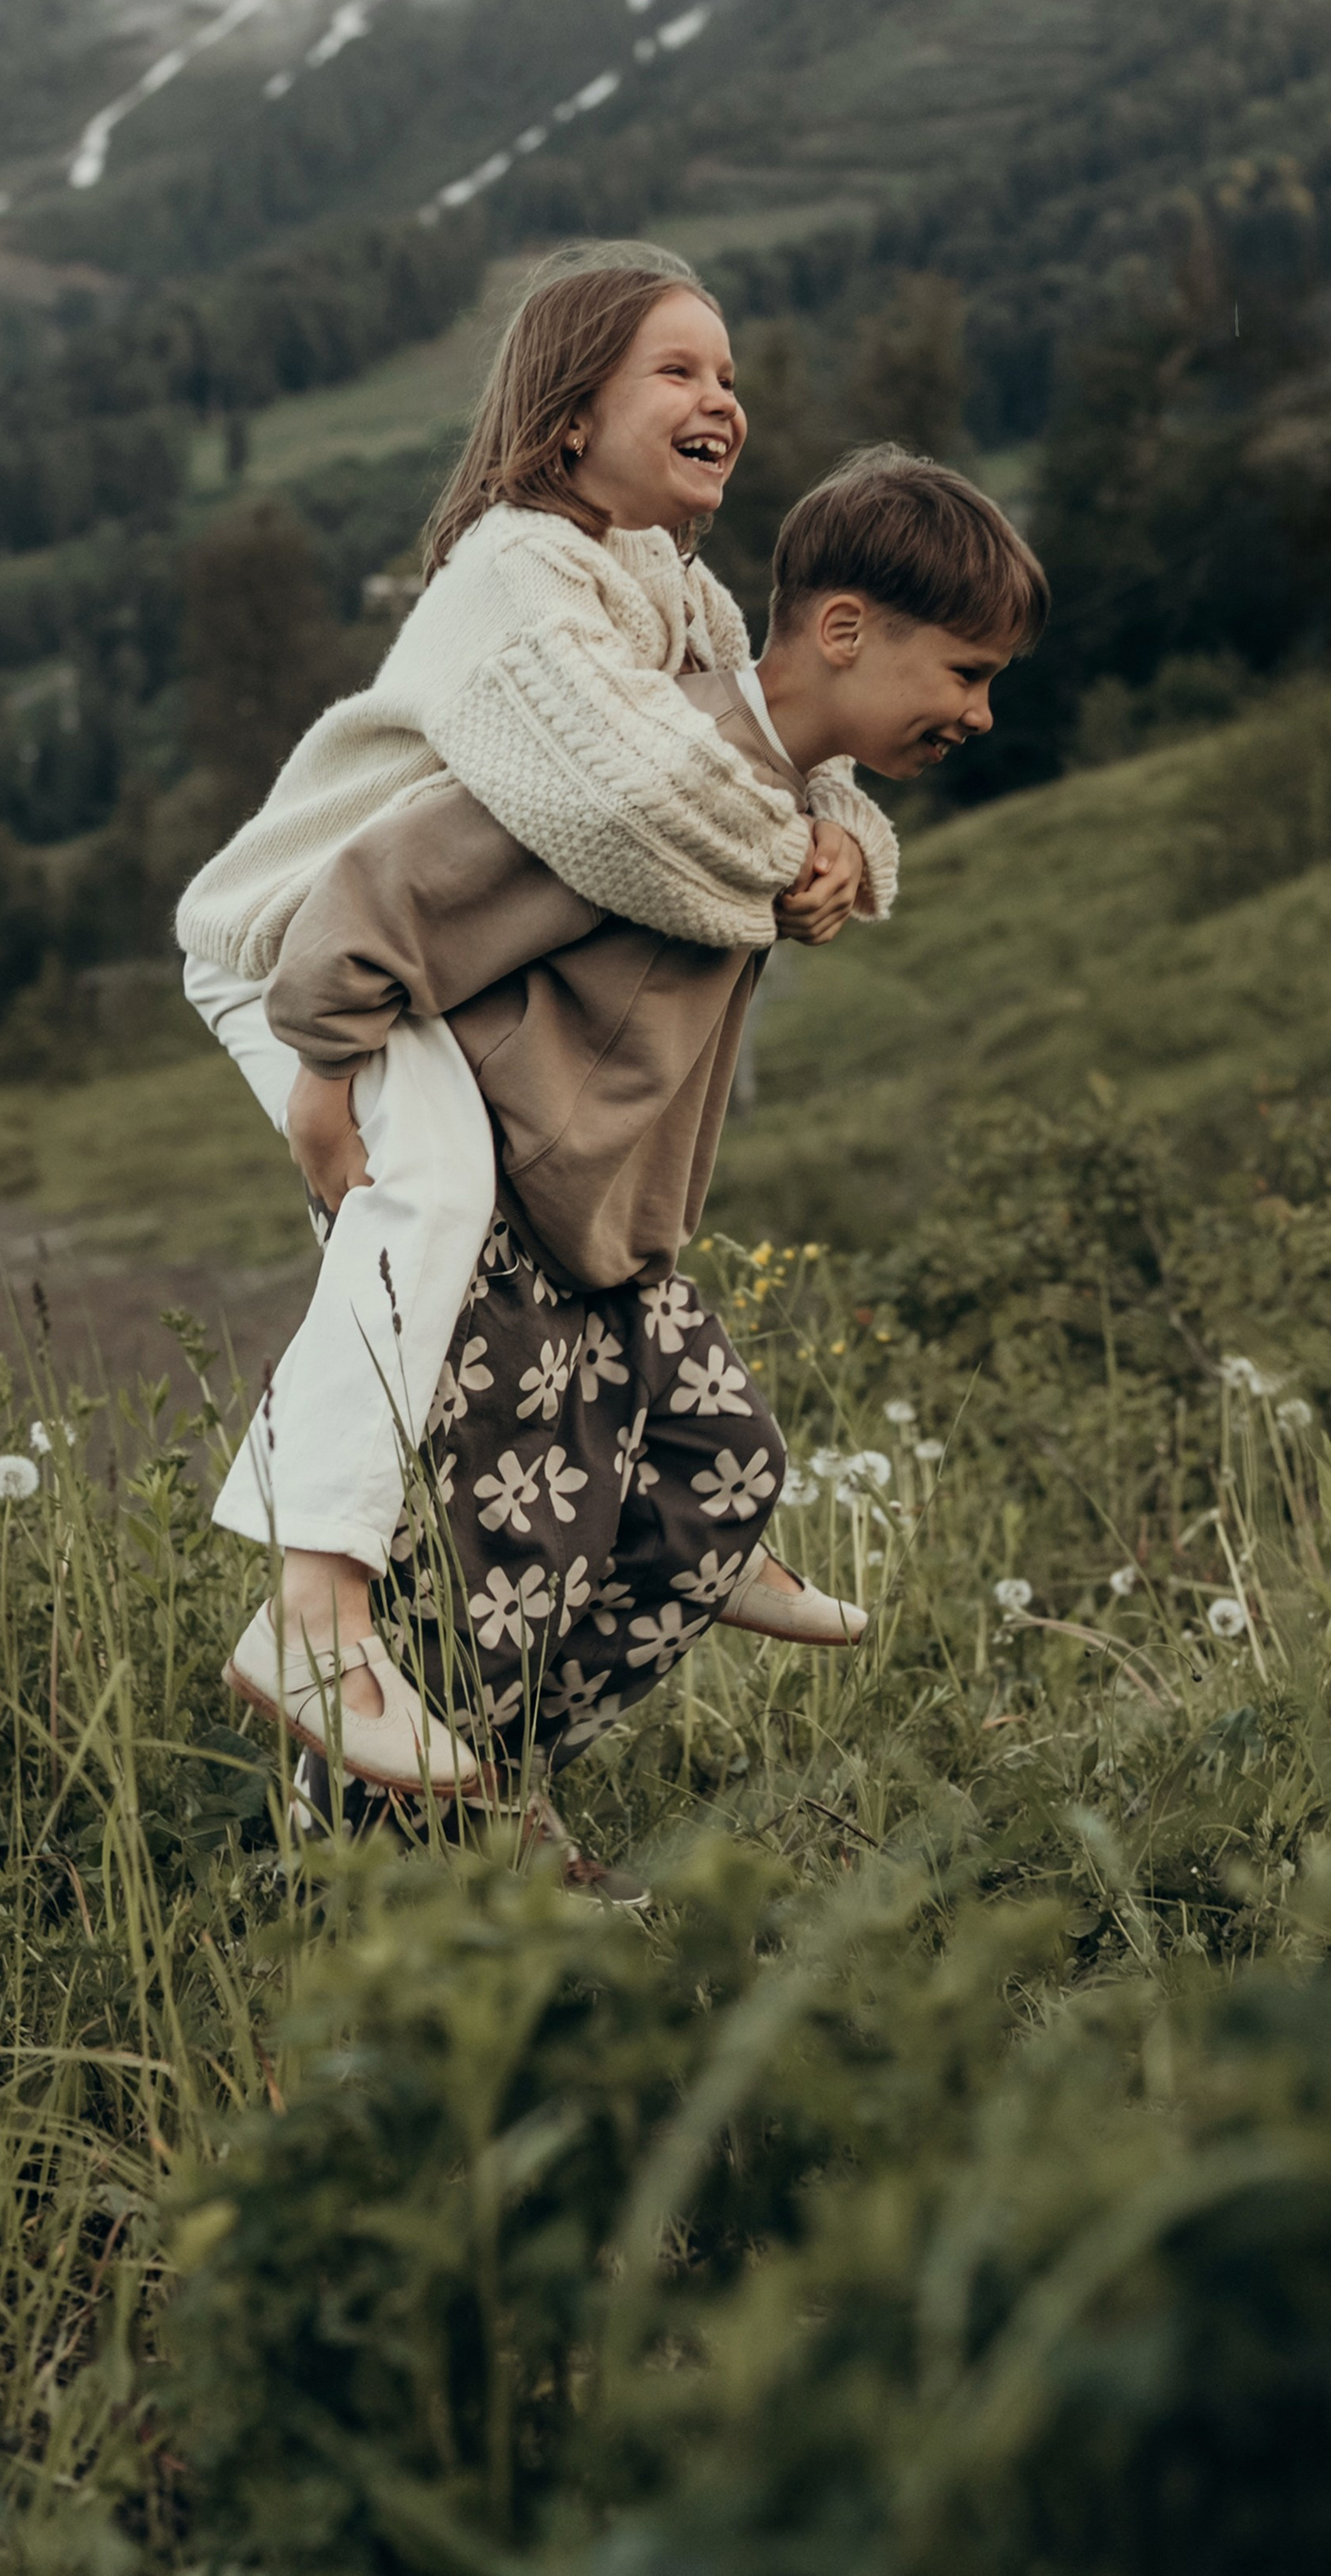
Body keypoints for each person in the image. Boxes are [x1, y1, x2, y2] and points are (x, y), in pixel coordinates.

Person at [177, 244, 900, 1796]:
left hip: (404, 963)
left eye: (731, 374)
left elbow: (777, 740)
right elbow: (628, 798)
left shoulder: (676, 588)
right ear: (570, 417)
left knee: (542, 1213)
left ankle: (701, 1519)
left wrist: (854, 843)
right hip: (299, 942)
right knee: (428, 1189)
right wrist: (326, 1072)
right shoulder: (517, 568)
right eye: (681, 370)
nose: (726, 397)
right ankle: (316, 1614)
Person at [260, 448, 1050, 1863]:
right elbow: (382, 886)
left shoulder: (789, 802)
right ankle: (373, 1860)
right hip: (505, 1210)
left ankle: (478, 1786)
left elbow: (824, 825)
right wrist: (329, 1078)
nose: (983, 712)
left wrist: (849, 847)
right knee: (514, 1555)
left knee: (726, 1470)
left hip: (610, 1226)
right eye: (968, 672)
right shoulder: (642, 769)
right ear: (849, 630)